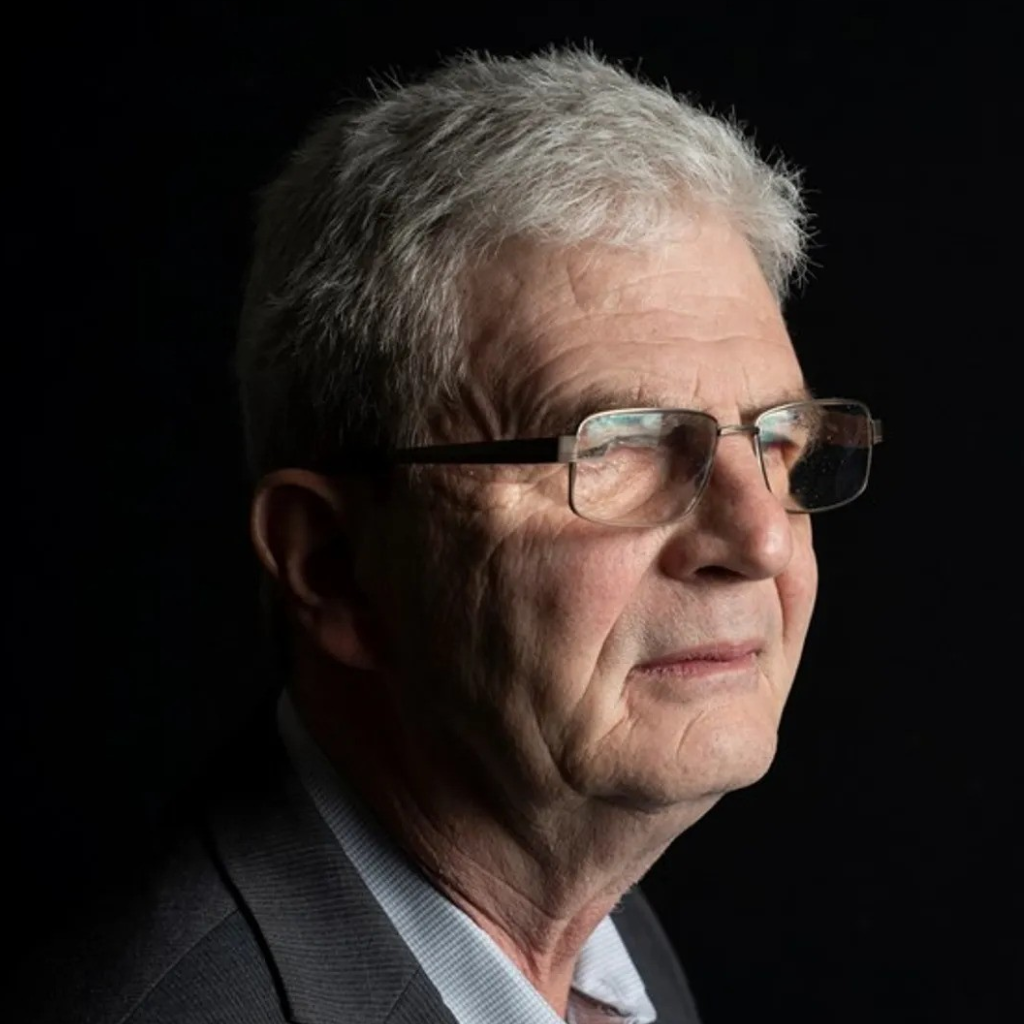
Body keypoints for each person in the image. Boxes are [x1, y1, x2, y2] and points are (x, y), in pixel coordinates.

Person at [33, 47, 882, 1024]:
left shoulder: (598, 937)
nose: (761, 541)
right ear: (333, 565)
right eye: (621, 447)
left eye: (777, 439)